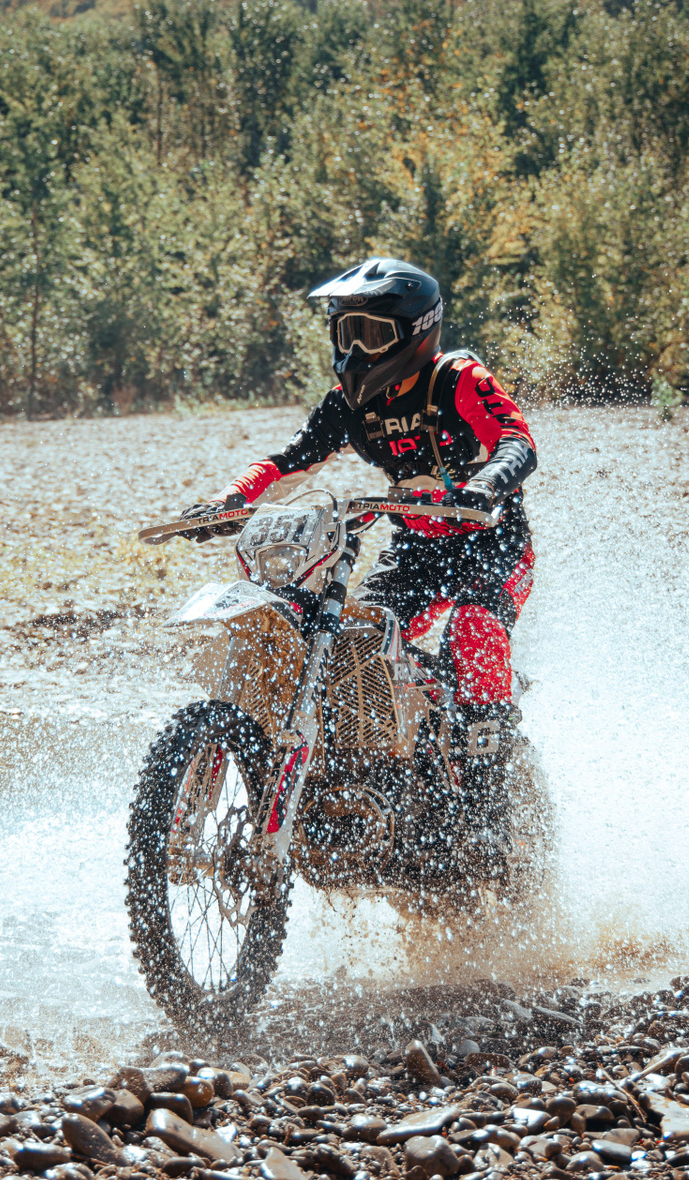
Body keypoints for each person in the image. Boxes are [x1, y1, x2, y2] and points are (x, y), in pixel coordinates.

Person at [178, 257, 536, 870]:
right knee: (358, 639)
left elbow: (516, 441)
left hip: (491, 543)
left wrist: (487, 484)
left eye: (369, 333)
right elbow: (290, 460)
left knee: (475, 628)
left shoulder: (457, 378)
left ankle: (488, 807)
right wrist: (230, 498)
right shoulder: (348, 402)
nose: (354, 350)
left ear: (414, 331)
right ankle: (372, 772)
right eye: (345, 333)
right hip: (415, 547)